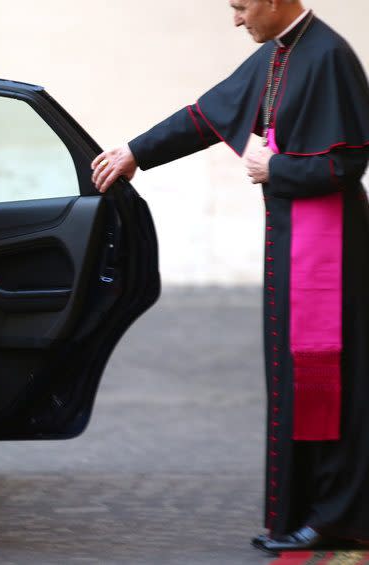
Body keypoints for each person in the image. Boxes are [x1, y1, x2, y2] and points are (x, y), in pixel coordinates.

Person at [91, 0, 369, 555]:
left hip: (329, 253)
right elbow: (205, 115)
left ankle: (338, 515)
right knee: (299, 379)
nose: (236, 19)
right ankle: (309, 509)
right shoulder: (277, 55)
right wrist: (135, 152)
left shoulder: (330, 54)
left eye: (241, 6)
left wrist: (278, 169)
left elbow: (349, 161)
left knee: (332, 380)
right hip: (295, 245)